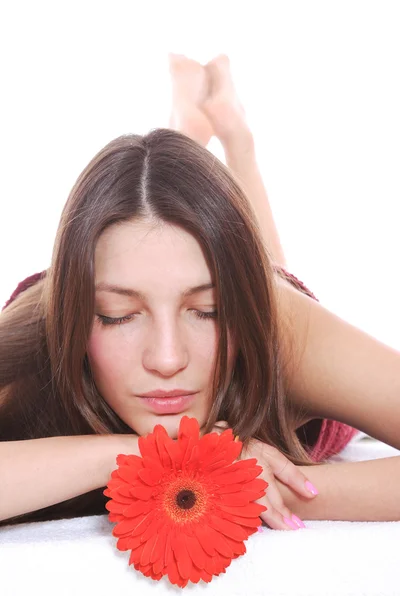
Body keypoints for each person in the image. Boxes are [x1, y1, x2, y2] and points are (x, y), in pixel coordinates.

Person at [1, 54, 399, 532]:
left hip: (267, 308)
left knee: (256, 266)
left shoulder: (287, 332)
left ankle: (236, 140)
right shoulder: (33, 342)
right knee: (186, 245)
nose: (167, 360)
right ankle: (192, 131)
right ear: (74, 316)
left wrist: (247, 486)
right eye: (118, 315)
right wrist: (138, 455)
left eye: (208, 313)